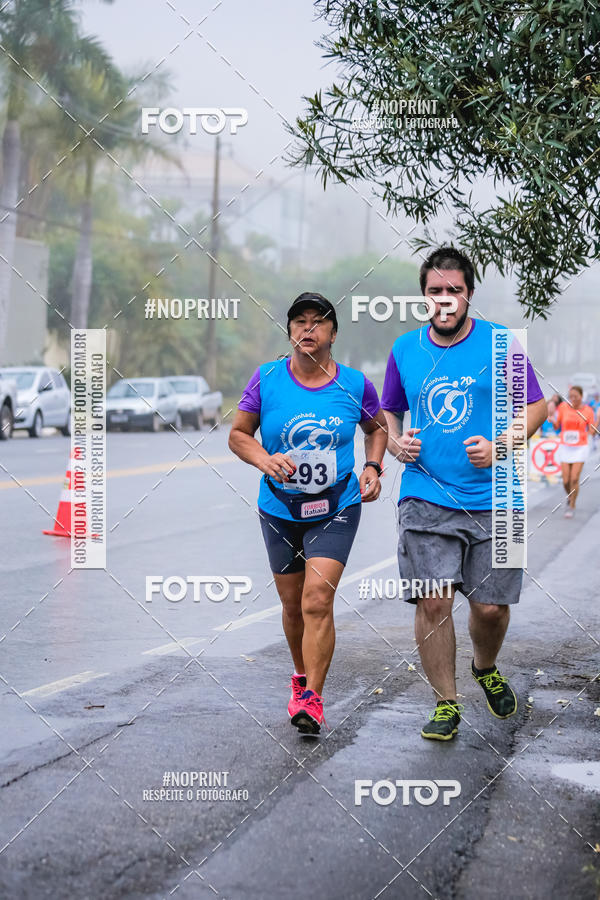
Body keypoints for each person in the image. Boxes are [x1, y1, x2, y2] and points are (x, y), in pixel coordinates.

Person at [381, 246, 547, 741]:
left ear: (469, 294)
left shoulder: (502, 344)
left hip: (500, 496)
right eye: (436, 291)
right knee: (433, 602)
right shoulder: (405, 349)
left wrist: (500, 446)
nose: (446, 300)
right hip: (425, 496)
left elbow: (536, 409)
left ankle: (484, 666)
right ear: (424, 297)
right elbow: (388, 411)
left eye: (454, 290)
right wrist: (394, 442)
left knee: (491, 608)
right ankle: (446, 703)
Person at [229, 292, 387, 735]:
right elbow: (239, 434)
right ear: (290, 331)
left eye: (318, 322)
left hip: (336, 504)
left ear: (333, 333)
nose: (308, 330)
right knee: (293, 606)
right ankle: (300, 678)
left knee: (317, 599)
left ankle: (313, 698)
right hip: (279, 507)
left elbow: (376, 428)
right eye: (299, 322)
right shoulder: (267, 379)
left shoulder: (354, 384)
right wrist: (264, 459)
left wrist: (373, 467)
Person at [554, 386, 595, 518]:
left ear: (581, 397)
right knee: (566, 480)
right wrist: (551, 419)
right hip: (565, 447)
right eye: (570, 396)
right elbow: (557, 426)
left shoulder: (588, 411)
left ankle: (572, 505)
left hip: (580, 448)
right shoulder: (563, 407)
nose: (572, 399)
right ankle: (570, 496)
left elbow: (592, 432)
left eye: (575, 397)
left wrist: (598, 418)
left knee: (574, 478)